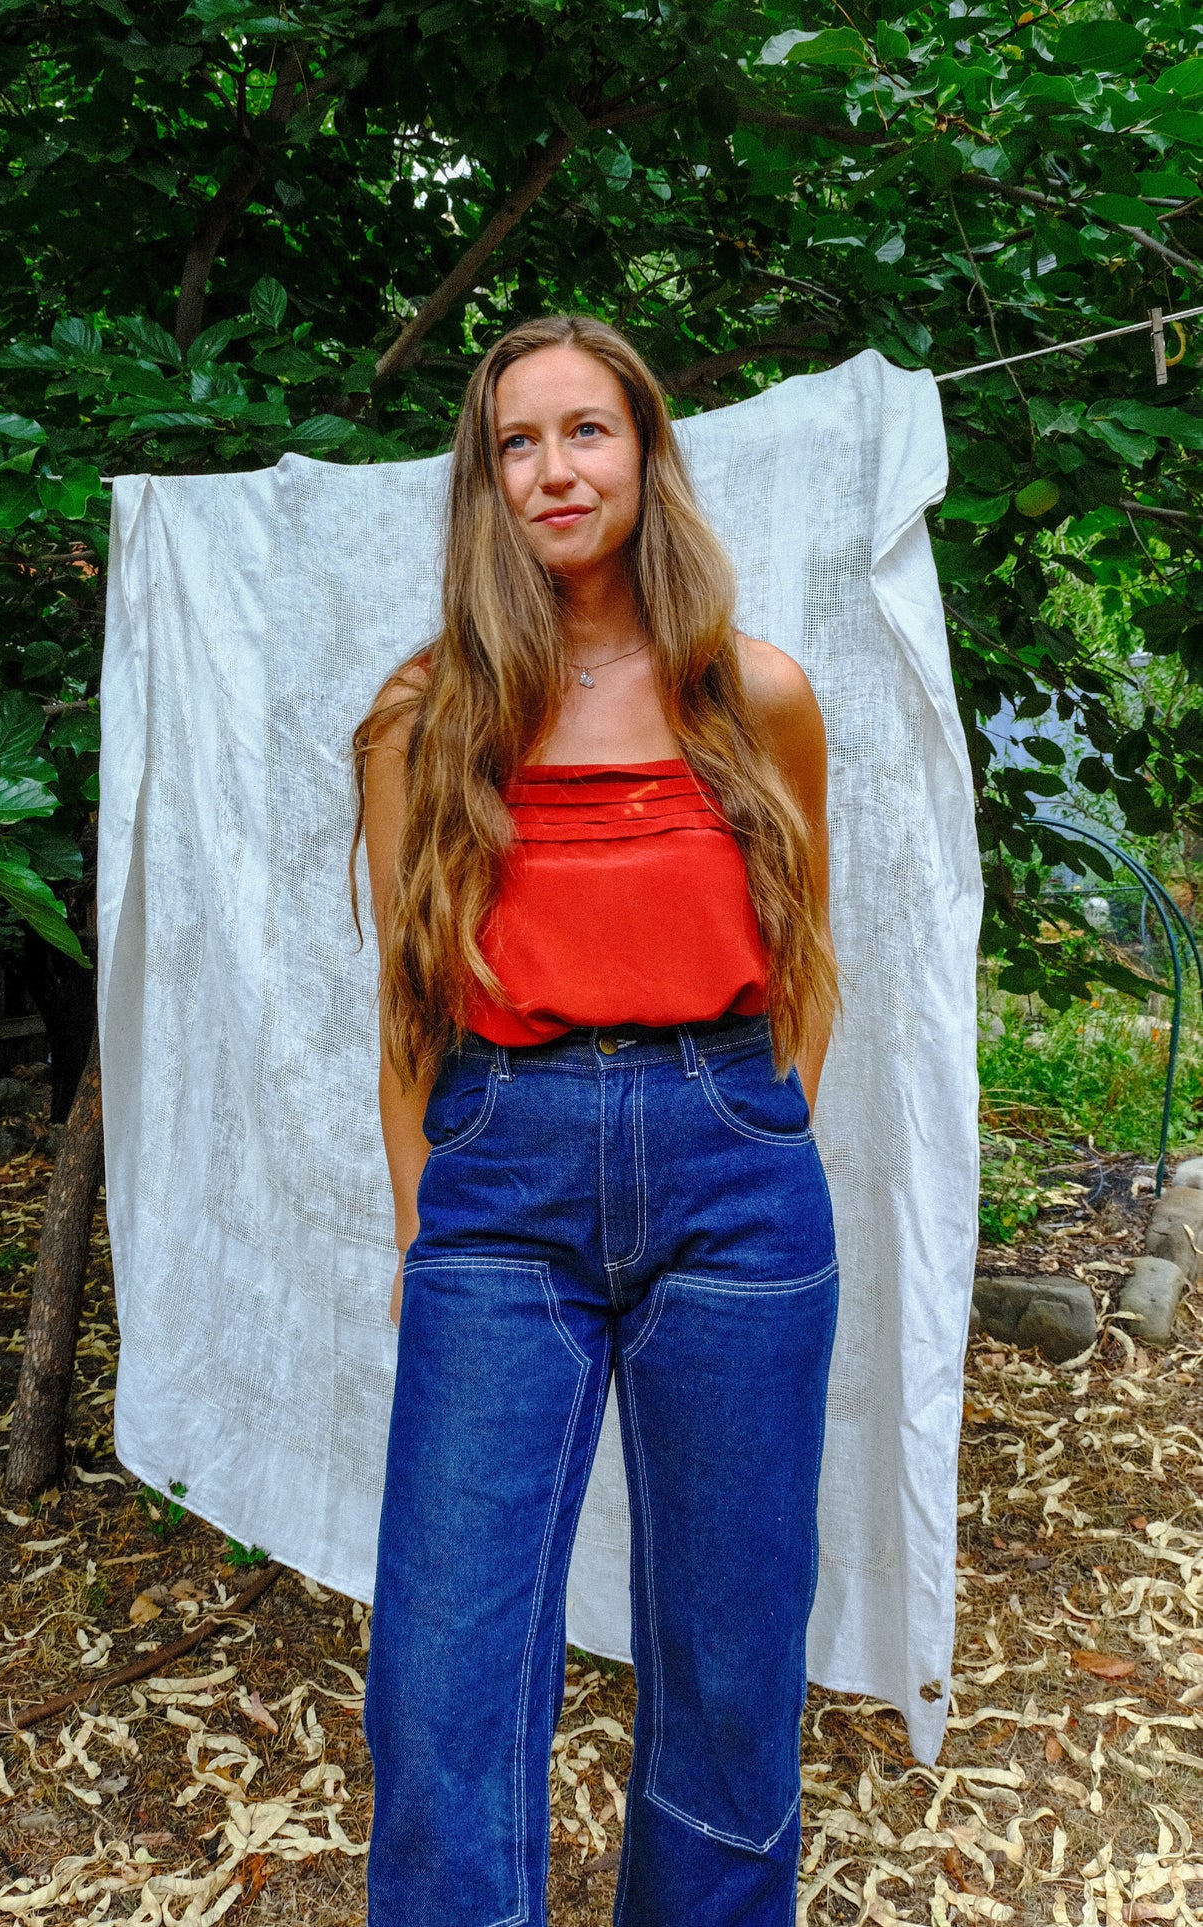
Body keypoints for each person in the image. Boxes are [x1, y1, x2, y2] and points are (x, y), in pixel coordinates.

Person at [350, 313, 840, 1926]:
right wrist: (427, 1224)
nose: (553, 468)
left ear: (644, 454)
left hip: (731, 1167)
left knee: (728, 1650)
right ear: (484, 484)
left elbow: (803, 963)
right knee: (445, 1667)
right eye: (515, 442)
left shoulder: (751, 696)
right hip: (502, 1169)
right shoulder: (424, 717)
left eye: (585, 431)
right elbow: (407, 1006)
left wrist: (757, 1141)